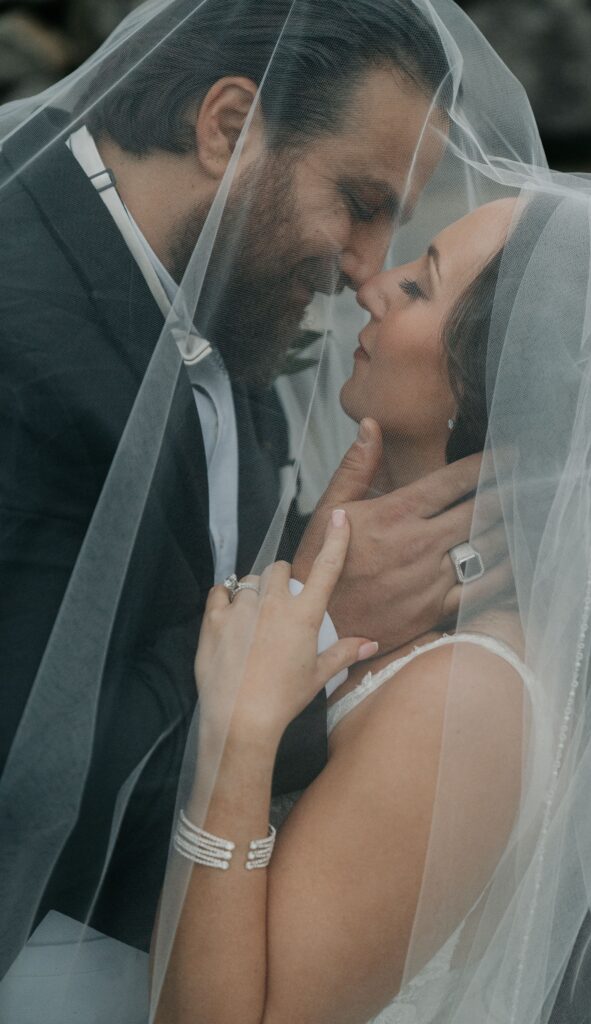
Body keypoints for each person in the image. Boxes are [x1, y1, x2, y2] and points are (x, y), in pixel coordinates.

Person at [0, 0, 493, 967]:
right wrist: (306, 628)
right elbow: (33, 783)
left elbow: (180, 575)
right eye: (359, 202)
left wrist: (342, 545)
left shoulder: (216, 289)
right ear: (227, 128)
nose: (365, 271)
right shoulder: (20, 343)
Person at [151, 192, 591, 1024]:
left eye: (419, 287)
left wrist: (241, 735)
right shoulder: (432, 638)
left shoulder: (467, 696)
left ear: (488, 380)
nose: (372, 285)